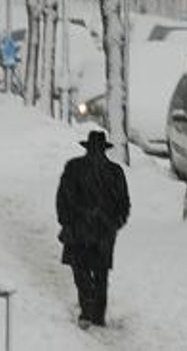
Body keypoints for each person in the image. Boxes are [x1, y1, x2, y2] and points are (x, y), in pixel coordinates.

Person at [56, 130, 130, 329]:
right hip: (103, 231)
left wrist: (67, 222)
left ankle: (88, 310)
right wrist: (115, 223)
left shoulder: (74, 168)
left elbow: (63, 199)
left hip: (79, 229)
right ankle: (97, 314)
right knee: (101, 273)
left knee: (81, 271)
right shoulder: (115, 172)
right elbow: (123, 204)